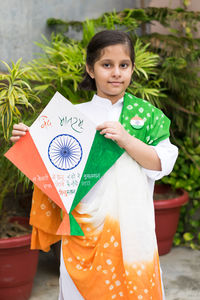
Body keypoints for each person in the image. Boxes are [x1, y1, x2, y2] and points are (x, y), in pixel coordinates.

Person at [11, 30, 178, 300]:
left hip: (133, 235)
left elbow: (162, 164)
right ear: (91, 69)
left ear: (133, 69)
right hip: (83, 231)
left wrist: (125, 139)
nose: (116, 73)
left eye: (124, 65)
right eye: (106, 65)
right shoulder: (72, 117)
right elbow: (52, 176)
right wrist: (30, 143)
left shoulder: (147, 117)